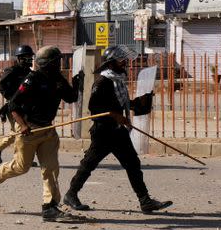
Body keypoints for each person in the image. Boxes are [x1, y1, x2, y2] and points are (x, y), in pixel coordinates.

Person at [63, 46, 172, 213]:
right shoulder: (102, 81)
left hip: (117, 131)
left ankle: (145, 201)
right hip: (103, 132)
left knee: (132, 163)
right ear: (111, 63)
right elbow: (94, 108)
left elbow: (122, 103)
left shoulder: (117, 80)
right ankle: (71, 195)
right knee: (89, 164)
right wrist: (115, 116)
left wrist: (140, 102)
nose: (125, 63)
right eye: (122, 60)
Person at [0, 46, 82, 221]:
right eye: (56, 61)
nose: (59, 64)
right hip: (29, 129)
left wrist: (77, 83)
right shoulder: (32, 79)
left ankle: (49, 207)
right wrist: (23, 125)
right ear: (46, 64)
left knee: (50, 169)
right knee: (21, 167)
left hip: (47, 130)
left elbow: (71, 98)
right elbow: (13, 106)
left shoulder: (58, 79)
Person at [0, 45, 37, 167]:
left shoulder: (30, 73)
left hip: (26, 108)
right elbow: (1, 85)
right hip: (14, 108)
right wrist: (12, 98)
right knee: (20, 131)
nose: (29, 60)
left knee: (19, 132)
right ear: (20, 58)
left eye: (30, 57)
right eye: (27, 57)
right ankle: (20, 159)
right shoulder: (12, 71)